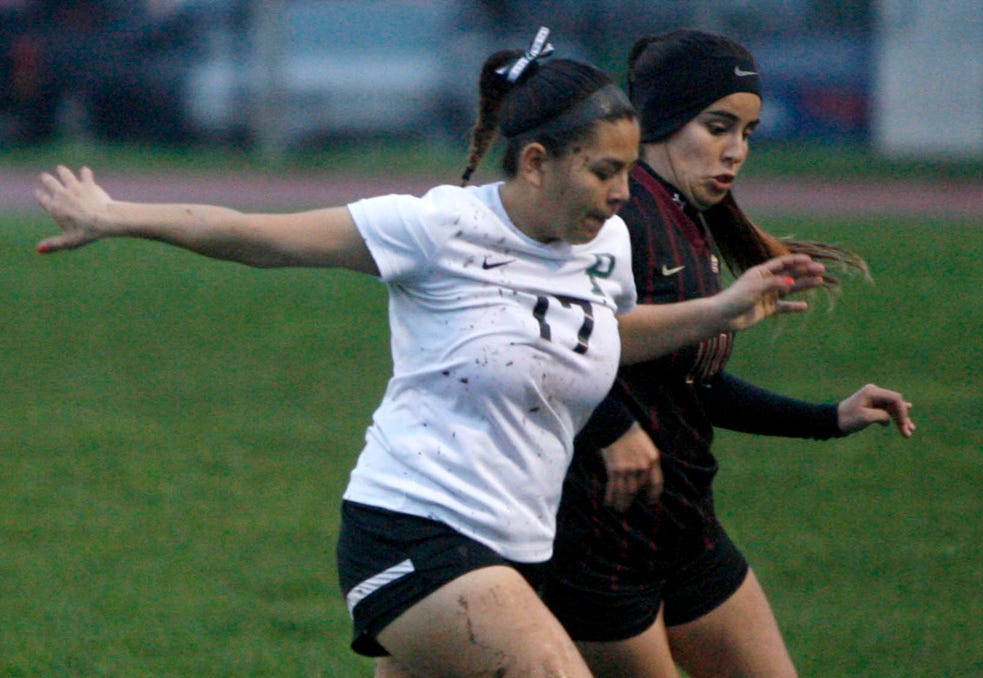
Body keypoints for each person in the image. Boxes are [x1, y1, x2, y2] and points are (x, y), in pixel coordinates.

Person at [34, 28, 831, 677]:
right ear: (534, 162)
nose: (625, 193)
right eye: (605, 171)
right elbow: (256, 238)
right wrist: (115, 215)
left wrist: (719, 310)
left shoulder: (607, 244)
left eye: (628, 171)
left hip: (521, 551)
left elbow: (599, 342)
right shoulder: (438, 228)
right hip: (414, 535)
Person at [540, 29, 918, 678]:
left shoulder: (689, 218)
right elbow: (553, 351)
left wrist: (828, 417)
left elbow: (689, 383)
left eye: (746, 133)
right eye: (718, 128)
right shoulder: (619, 220)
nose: (736, 152)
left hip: (687, 528)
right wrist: (615, 429)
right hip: (606, 545)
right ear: (660, 120)